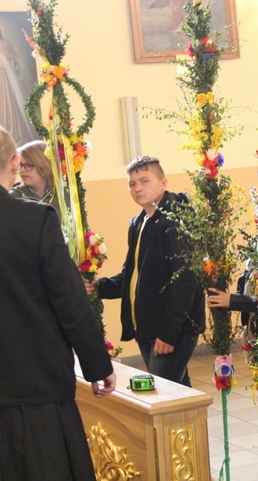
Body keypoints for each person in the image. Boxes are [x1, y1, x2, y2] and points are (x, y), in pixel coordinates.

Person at [0, 122, 115, 480]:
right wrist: (98, 366)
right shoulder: (34, 220)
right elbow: (69, 302)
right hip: (35, 393)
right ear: (15, 162)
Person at [87, 156, 205, 387]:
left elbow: (186, 280)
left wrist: (169, 332)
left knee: (163, 397)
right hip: (147, 327)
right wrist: (99, 286)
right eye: (132, 183)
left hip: (171, 330)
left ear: (163, 182)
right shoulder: (139, 222)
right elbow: (132, 276)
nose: (137, 188)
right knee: (180, 396)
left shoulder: (176, 220)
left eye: (144, 181)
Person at [9, 140, 68, 219]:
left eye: (29, 165)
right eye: (21, 165)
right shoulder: (13, 197)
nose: (22, 170)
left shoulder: (64, 195)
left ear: (43, 165)